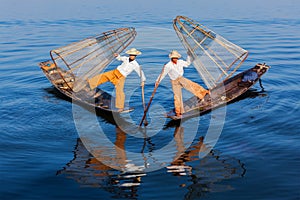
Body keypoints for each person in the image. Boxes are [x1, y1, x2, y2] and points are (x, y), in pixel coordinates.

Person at [87, 48, 146, 112]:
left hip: (121, 77)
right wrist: (117, 56)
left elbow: (140, 72)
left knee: (119, 91)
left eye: (133, 55)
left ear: (135, 56)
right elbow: (120, 58)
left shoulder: (135, 65)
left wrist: (143, 81)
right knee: (103, 76)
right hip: (115, 72)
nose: (132, 56)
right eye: (131, 55)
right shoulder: (126, 58)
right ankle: (90, 84)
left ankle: (120, 107)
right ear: (129, 55)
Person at [155, 50, 209, 117]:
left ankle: (203, 93)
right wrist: (157, 81)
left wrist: (189, 56)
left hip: (181, 78)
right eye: (174, 58)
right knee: (177, 96)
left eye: (176, 58)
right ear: (171, 58)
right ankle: (179, 111)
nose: (175, 59)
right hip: (174, 82)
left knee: (192, 85)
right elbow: (163, 74)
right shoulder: (168, 66)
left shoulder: (180, 62)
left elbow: (187, 64)